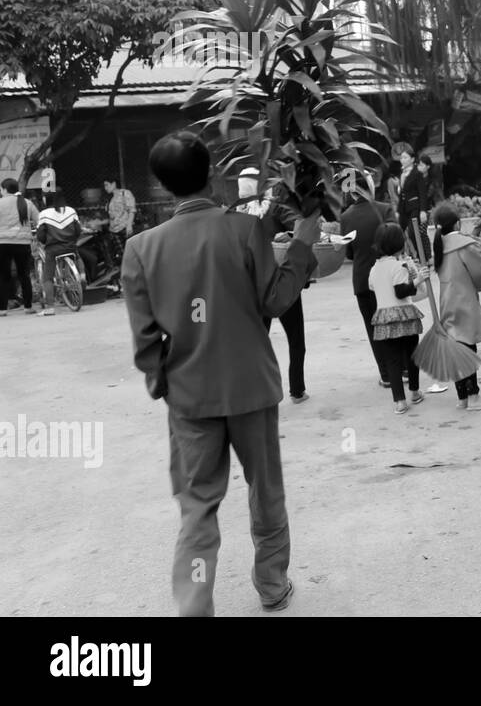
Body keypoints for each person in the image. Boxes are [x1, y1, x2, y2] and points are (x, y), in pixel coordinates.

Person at [121, 131, 319, 616]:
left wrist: (162, 381)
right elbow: (275, 300)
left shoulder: (141, 249)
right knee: (265, 491)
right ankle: (272, 586)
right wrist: (301, 245)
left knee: (198, 508)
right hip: (251, 386)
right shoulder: (244, 230)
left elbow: (146, 341)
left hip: (191, 398)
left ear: (164, 187)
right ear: (212, 174)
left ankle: (193, 605)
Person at [237, 169, 311, 404]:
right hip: (283, 285)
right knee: (296, 340)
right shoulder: (276, 207)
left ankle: (257, 391)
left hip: (254, 289)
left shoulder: (234, 215)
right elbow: (301, 228)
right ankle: (297, 391)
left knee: (258, 343)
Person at [339, 172, 400, 388]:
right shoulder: (384, 209)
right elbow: (397, 240)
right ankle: (403, 370)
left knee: (373, 328)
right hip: (389, 279)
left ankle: (386, 375)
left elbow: (348, 254)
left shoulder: (345, 217)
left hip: (363, 281)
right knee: (395, 322)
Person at [431, 204, 481, 409]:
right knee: (468, 347)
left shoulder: (439, 245)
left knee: (455, 347)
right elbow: (477, 270)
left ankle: (462, 399)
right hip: (464, 300)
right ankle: (474, 395)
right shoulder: (464, 245)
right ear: (457, 223)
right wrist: (478, 286)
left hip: (447, 301)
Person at [369, 223, 431, 414]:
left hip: (385, 320)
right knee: (412, 356)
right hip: (404, 316)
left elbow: (373, 287)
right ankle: (414, 392)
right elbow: (401, 291)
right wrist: (418, 278)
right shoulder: (398, 266)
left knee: (393, 361)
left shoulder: (374, 269)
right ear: (399, 244)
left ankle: (399, 402)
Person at [35, 191, 84, 316]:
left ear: (46, 200)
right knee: (77, 255)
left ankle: (50, 307)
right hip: (70, 246)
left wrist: (46, 241)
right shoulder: (71, 211)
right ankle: (82, 277)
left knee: (47, 277)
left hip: (53, 249)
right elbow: (78, 230)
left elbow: (40, 235)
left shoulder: (44, 214)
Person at [0, 179, 39, 316]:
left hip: (3, 244)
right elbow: (39, 220)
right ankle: (28, 307)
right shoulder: (27, 203)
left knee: (3, 276)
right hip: (22, 244)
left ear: (4, 189)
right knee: (24, 275)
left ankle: (2, 309)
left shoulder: (0, 203)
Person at [391, 142, 429, 259]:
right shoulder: (402, 174)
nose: (402, 160)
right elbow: (402, 194)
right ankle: (399, 257)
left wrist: (423, 210)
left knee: (414, 233)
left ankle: (423, 258)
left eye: (405, 157)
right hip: (403, 209)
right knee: (397, 233)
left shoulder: (417, 173)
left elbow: (422, 193)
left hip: (415, 207)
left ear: (412, 159)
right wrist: (397, 211)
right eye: (401, 158)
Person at [103, 174, 137, 267]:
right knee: (122, 255)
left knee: (131, 254)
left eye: (107, 185)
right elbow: (111, 216)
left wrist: (129, 225)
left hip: (124, 227)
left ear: (113, 184)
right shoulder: (110, 198)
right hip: (114, 230)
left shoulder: (125, 193)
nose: (105, 188)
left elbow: (131, 210)